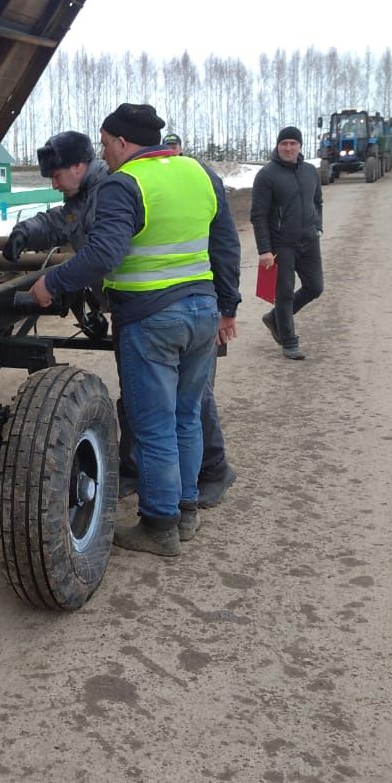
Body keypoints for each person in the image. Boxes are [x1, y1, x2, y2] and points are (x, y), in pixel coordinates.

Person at [30, 102, 242, 558]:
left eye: (106, 144)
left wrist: (53, 282)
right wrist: (228, 306)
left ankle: (160, 525)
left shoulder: (124, 185)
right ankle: (185, 511)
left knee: (154, 425)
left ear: (124, 141)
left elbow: (103, 254)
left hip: (152, 320)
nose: (104, 154)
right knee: (186, 416)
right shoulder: (199, 173)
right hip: (202, 313)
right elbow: (225, 243)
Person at [119, 129, 237, 509]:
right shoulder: (189, 177)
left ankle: (207, 477)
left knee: (180, 410)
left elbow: (224, 244)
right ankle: (180, 504)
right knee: (178, 410)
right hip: (195, 307)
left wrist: (228, 308)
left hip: (170, 312)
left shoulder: (181, 177)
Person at [250, 125, 323, 360]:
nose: (288, 148)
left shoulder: (311, 171)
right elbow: (258, 215)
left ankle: (274, 319)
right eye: (284, 144)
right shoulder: (267, 175)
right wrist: (265, 250)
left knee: (315, 287)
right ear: (277, 146)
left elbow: (318, 202)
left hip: (309, 241)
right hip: (282, 244)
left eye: (293, 143)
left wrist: (318, 226)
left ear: (300, 146)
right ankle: (289, 341)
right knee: (284, 293)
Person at [2, 131, 110, 263]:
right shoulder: (78, 201)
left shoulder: (112, 189)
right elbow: (59, 223)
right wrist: (24, 233)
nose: (54, 185)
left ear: (78, 166)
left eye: (57, 176)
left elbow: (103, 253)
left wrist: (55, 280)